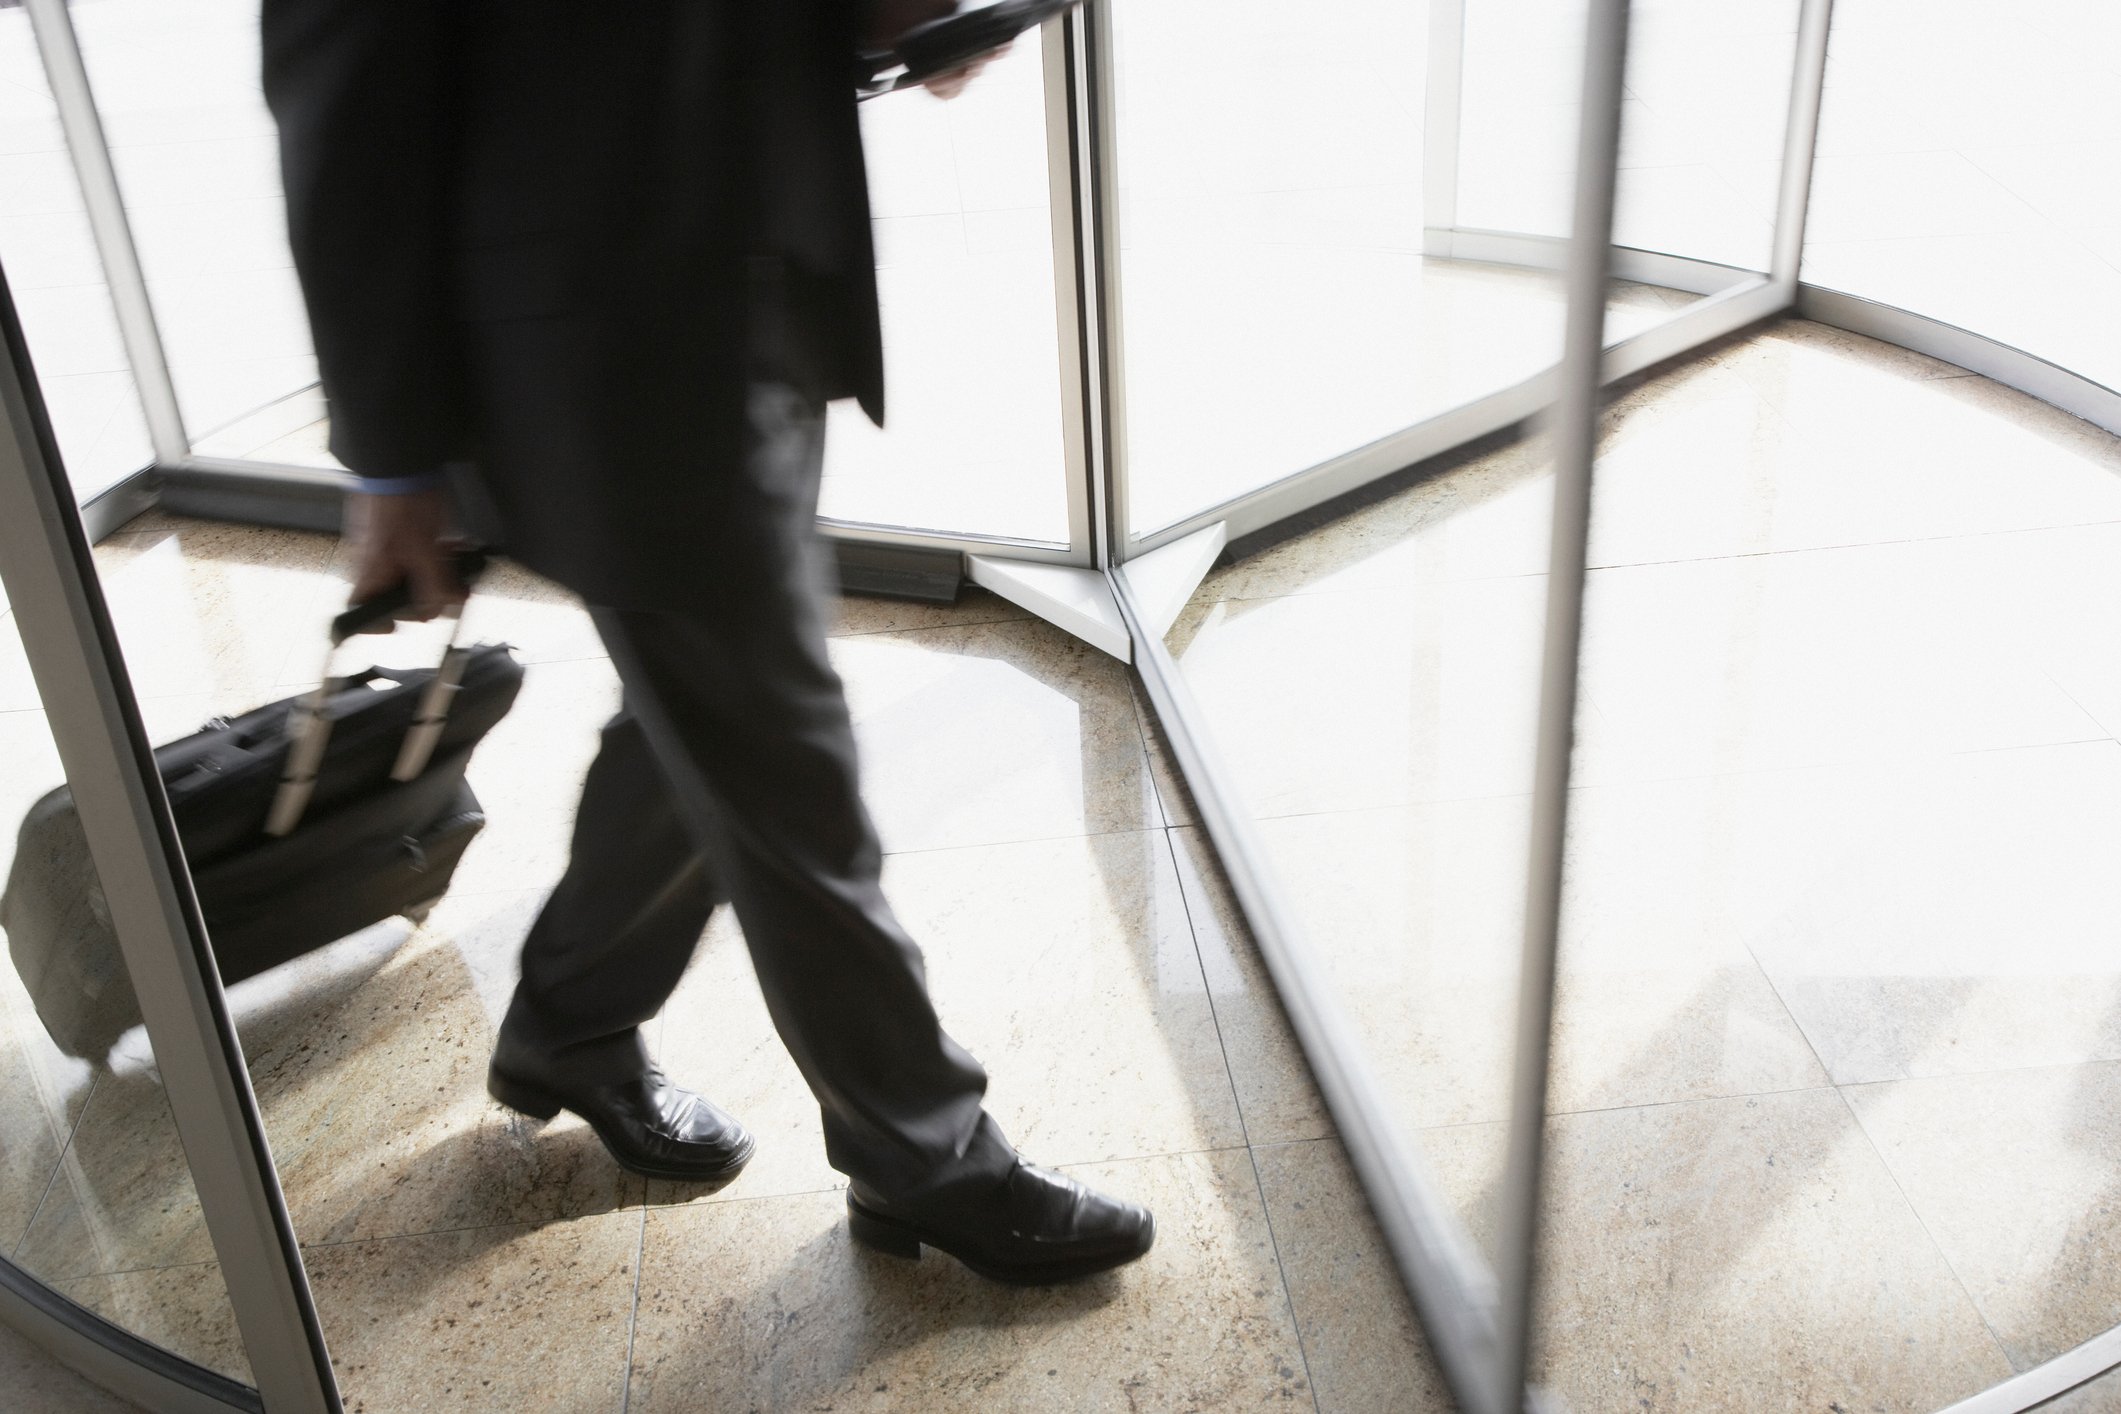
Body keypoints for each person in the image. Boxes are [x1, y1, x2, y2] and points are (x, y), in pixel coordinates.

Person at [260, 0, 1153, 1285]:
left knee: (707, 718)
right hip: (596, 342)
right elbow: (341, 92)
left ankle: (572, 1020)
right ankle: (927, 1152)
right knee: (780, 754)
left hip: (751, 278)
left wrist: (886, 22)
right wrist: (391, 454)